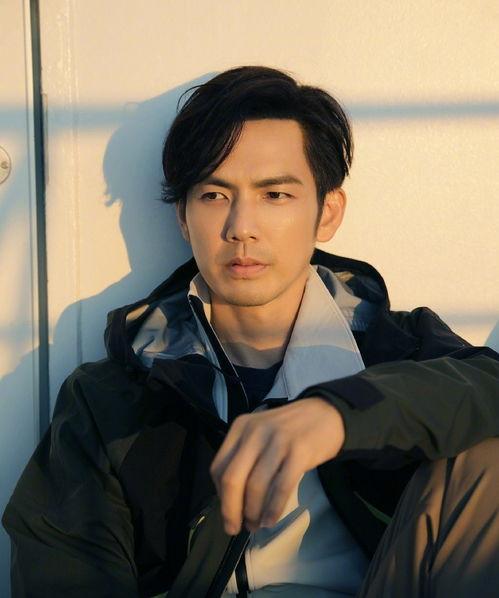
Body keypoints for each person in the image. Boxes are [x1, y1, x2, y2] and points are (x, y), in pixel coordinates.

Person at [2, 65, 499, 598]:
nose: (241, 227)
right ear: (183, 218)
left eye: (275, 195)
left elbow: (487, 386)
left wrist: (338, 413)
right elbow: (64, 570)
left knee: (487, 451)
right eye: (214, 195)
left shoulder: (401, 346)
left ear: (327, 213)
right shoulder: (108, 399)